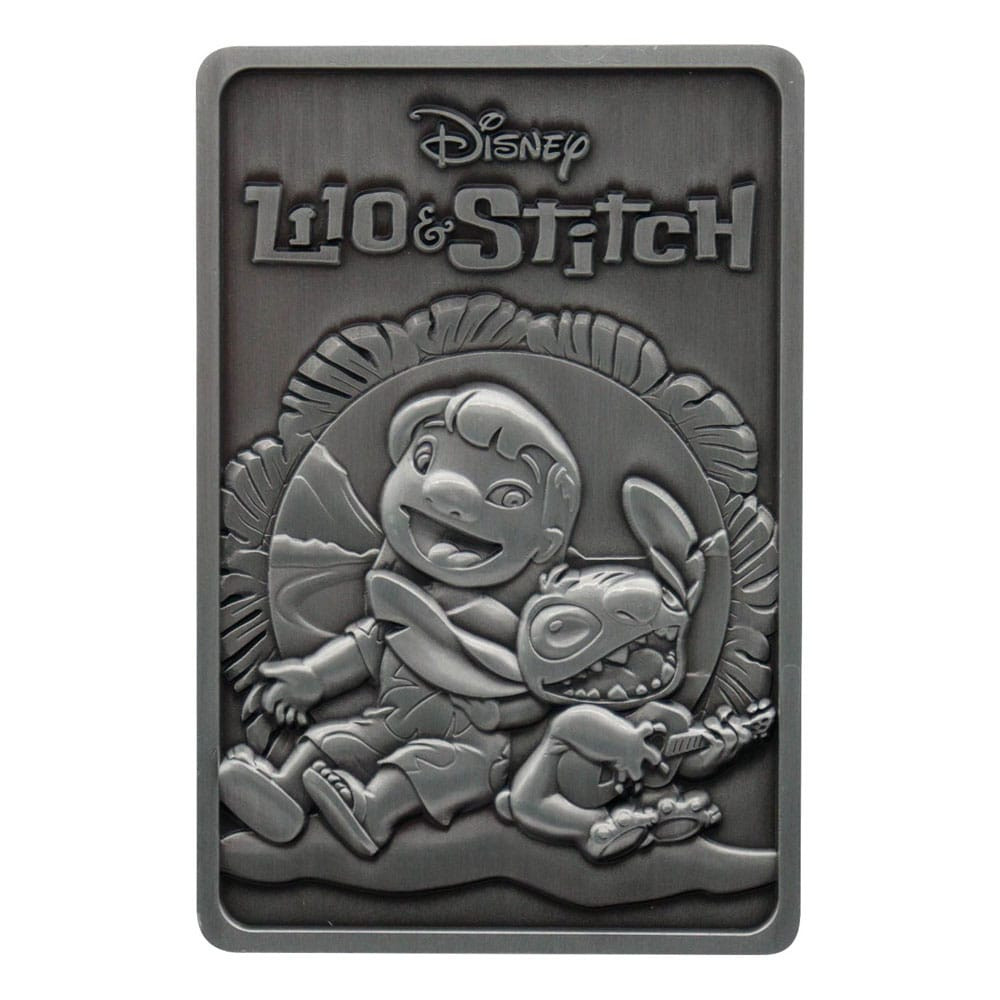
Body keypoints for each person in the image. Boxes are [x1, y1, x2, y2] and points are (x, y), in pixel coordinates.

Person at [219, 383, 581, 855]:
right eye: (426, 460)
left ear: (546, 542)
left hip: (469, 747)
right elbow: (364, 646)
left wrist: (498, 713)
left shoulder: (503, 624)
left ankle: (373, 811)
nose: (449, 494)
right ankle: (284, 793)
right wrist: (312, 677)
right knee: (328, 739)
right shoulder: (399, 602)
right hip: (386, 722)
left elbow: (530, 687)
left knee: (430, 767)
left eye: (509, 497)